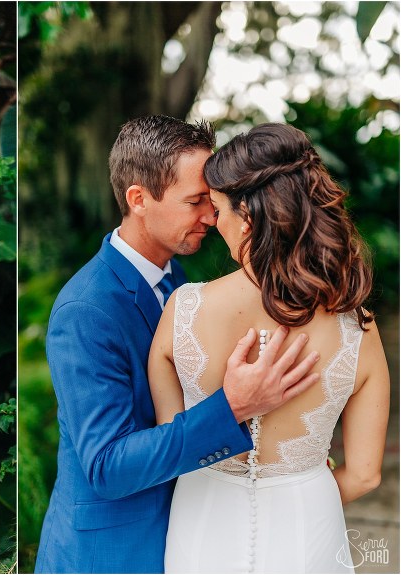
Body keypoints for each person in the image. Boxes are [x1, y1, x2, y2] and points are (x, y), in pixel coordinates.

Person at [34, 115, 323, 574]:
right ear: (138, 199)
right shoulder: (86, 311)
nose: (211, 216)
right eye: (195, 202)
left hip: (189, 537)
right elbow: (107, 466)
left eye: (212, 202)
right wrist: (232, 408)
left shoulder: (179, 282)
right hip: (111, 555)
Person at [149, 122, 390, 573]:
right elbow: (363, 475)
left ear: (249, 218)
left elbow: (171, 448)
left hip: (200, 526)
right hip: (307, 531)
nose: (212, 221)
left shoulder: (183, 312)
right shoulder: (359, 328)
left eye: (218, 209)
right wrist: (300, 495)